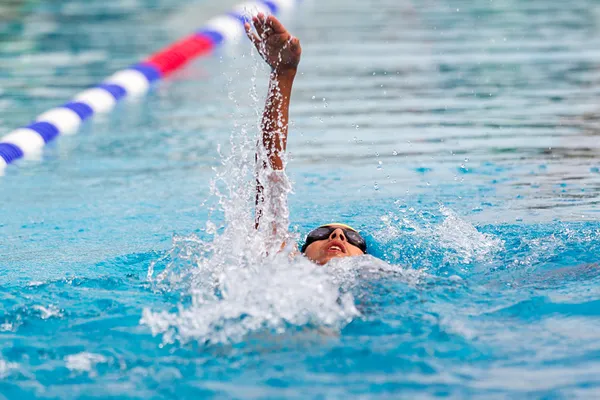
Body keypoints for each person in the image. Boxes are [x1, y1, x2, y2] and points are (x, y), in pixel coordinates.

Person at [245, 13, 368, 265]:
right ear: (299, 252)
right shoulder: (288, 272)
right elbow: (269, 183)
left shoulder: (378, 277)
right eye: (320, 234)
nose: (337, 235)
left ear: (364, 256)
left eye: (353, 238)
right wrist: (282, 73)